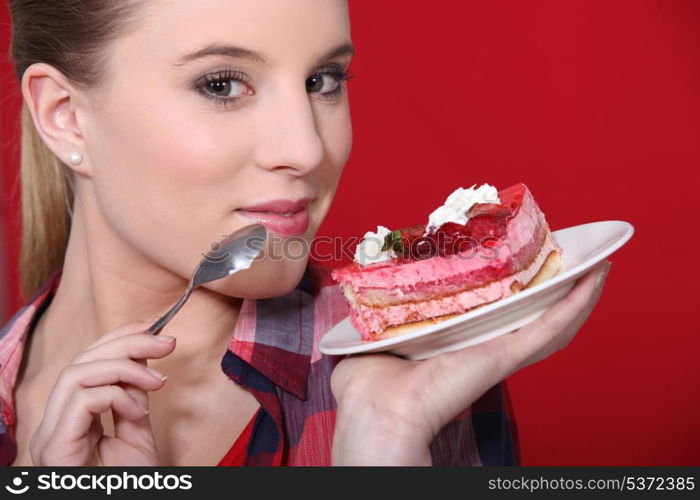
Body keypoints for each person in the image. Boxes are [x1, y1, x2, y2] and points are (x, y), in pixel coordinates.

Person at [0, 0, 611, 466]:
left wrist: (384, 453)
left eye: (324, 81)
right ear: (66, 117)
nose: (307, 149)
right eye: (222, 84)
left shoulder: (405, 370)